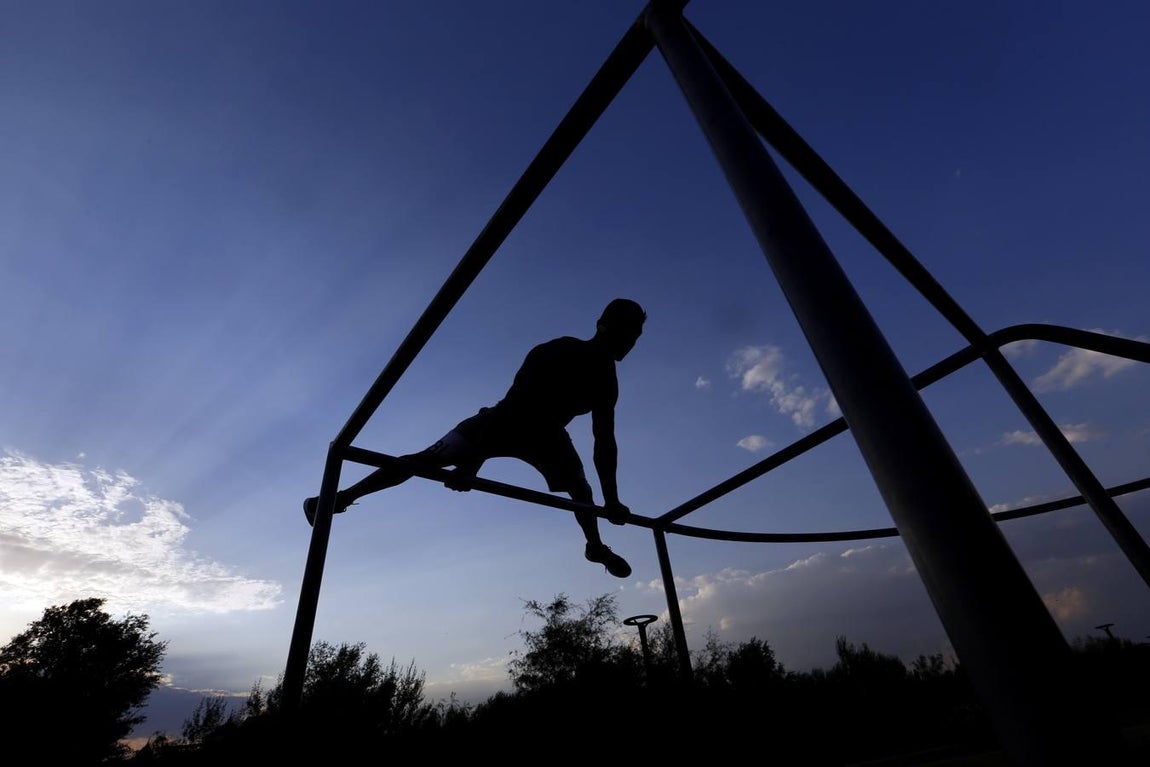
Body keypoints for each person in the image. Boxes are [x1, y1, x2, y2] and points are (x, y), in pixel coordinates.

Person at [303, 298, 646, 578]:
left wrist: (612, 500)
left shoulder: (608, 382)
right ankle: (339, 498)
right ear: (603, 325)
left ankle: (594, 546)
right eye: (627, 334)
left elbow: (605, 440)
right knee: (423, 461)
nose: (630, 344)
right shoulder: (557, 351)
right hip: (500, 422)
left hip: (550, 437)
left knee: (581, 491)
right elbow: (518, 410)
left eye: (635, 337)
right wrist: (471, 464)